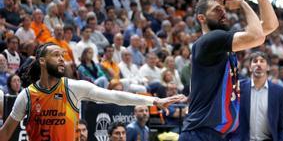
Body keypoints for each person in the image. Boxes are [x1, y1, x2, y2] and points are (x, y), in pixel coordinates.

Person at [0, 43, 184, 141]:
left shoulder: (73, 87)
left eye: (63, 56)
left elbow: (115, 96)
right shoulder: (27, 96)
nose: (62, 60)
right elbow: (6, 133)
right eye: (56, 55)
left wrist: (154, 101)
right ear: (41, 60)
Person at [180, 0, 279, 140]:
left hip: (216, 134)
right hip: (199, 133)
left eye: (223, 8)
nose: (223, 12)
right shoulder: (209, 41)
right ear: (201, 18)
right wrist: (242, 2)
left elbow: (271, 25)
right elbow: (257, 36)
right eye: (216, 10)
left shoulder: (222, 42)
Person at [230, 51, 283, 141]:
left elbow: (282, 127)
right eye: (255, 61)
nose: (258, 64)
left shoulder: (280, 92)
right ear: (249, 67)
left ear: (268, 67)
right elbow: (229, 118)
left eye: (262, 61)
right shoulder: (238, 88)